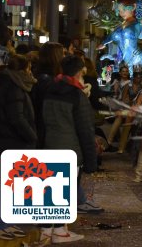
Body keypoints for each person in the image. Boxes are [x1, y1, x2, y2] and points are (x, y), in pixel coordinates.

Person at [41, 55, 97, 243]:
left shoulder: (49, 89)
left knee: (50, 190)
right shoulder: (76, 95)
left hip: (49, 146)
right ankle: (59, 231)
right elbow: (85, 130)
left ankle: (47, 230)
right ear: (80, 71)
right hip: (70, 150)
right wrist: (91, 160)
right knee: (66, 191)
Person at [0, 55, 36, 240]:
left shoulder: (11, 86)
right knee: (7, 185)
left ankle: (5, 222)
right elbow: (17, 119)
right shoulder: (14, 88)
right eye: (29, 68)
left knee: (10, 185)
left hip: (8, 142)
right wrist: (32, 136)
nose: (31, 71)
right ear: (23, 70)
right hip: (10, 143)